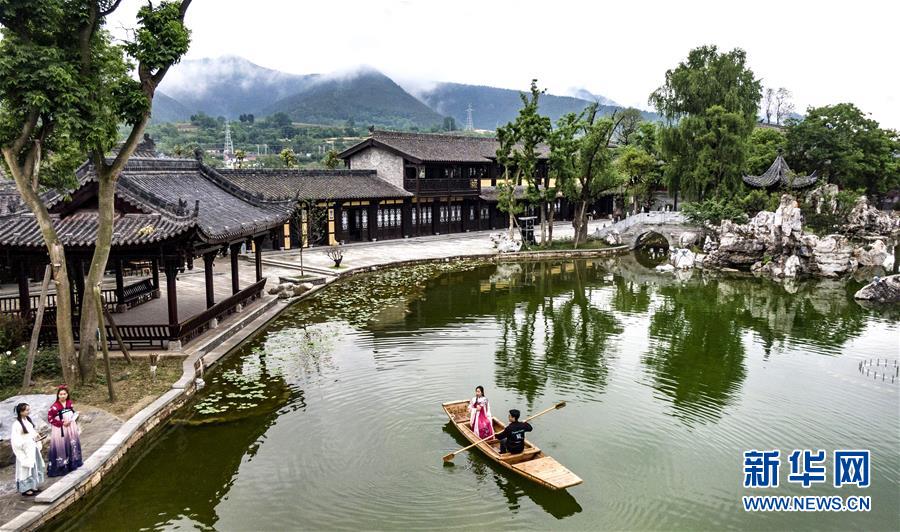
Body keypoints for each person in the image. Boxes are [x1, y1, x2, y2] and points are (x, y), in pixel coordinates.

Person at [47, 385, 83, 477]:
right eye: (61, 394)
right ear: (58, 395)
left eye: (64, 394)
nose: (62, 396)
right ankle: (61, 467)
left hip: (71, 427)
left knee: (72, 443)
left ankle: (73, 463)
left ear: (67, 394)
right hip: (60, 429)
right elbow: (50, 419)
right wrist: (62, 423)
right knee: (61, 446)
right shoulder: (54, 407)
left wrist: (75, 414)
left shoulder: (69, 403)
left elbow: (72, 413)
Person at [10, 403, 46, 496]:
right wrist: (24, 445)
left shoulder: (27, 421)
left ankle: (33, 485)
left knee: (34, 466)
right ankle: (25, 488)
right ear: (21, 412)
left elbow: (31, 432)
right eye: (26, 410)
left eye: (28, 410)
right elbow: (16, 439)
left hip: (32, 447)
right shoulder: (16, 424)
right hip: (25, 449)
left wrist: (37, 435)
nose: (28, 411)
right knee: (25, 469)